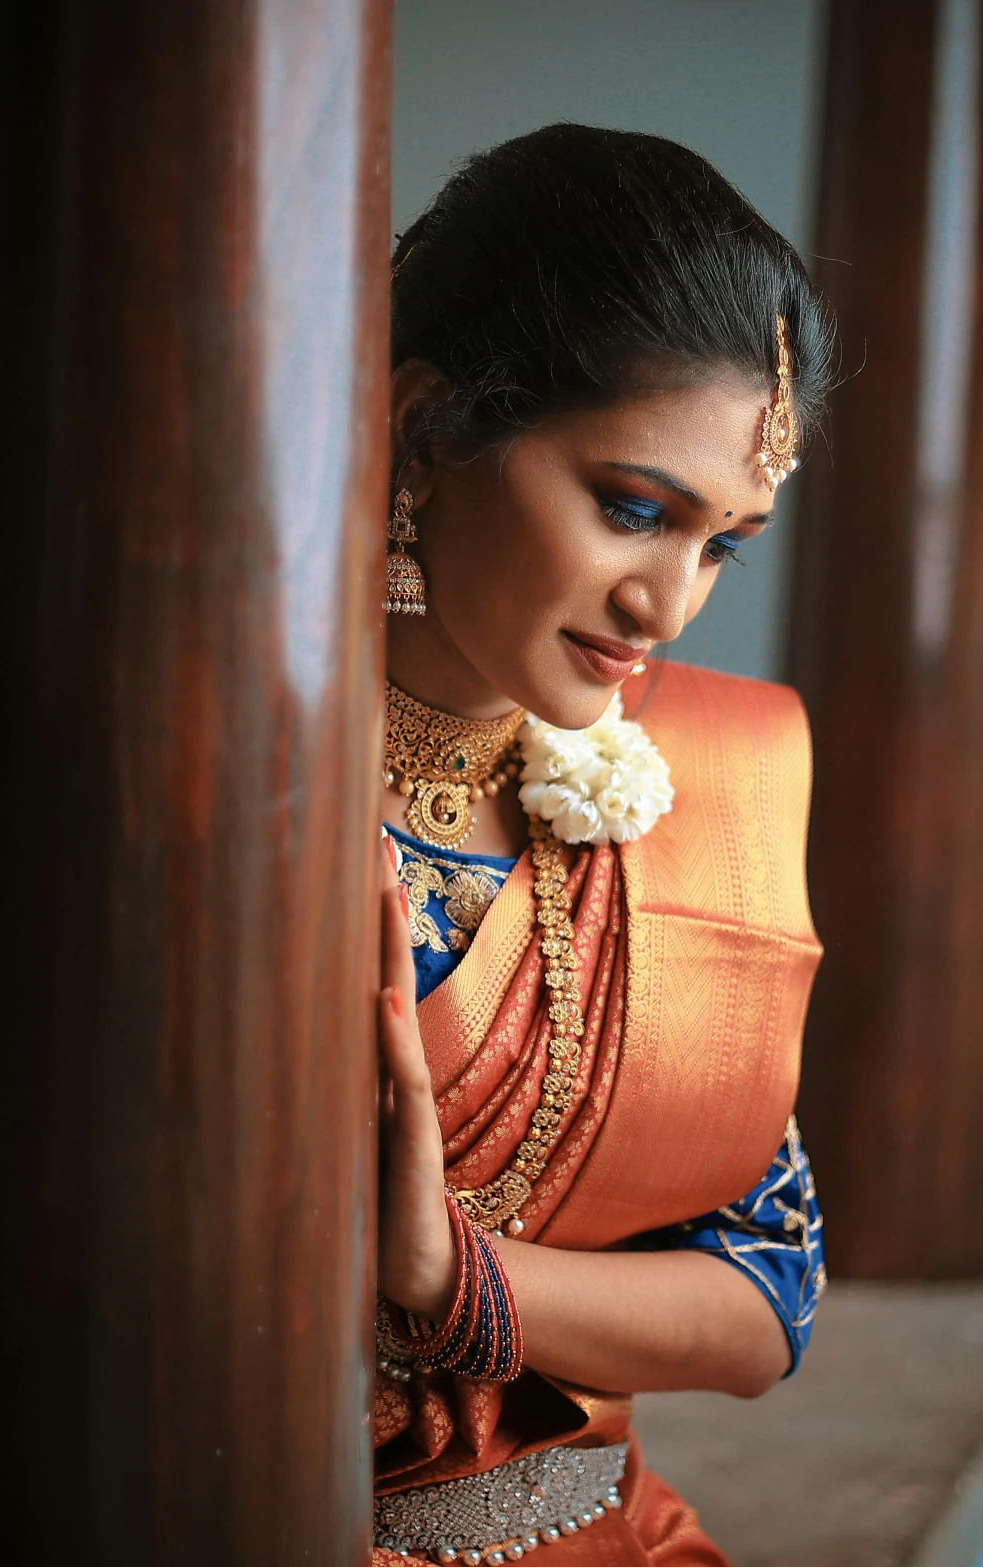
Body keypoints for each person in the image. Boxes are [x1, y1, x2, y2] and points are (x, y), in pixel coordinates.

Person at [369, 124, 833, 1567]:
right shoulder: (212, 789)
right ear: (426, 424)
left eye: (722, 543)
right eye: (634, 509)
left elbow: (768, 1299)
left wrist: (459, 1281)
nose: (669, 605)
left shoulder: (699, 788)